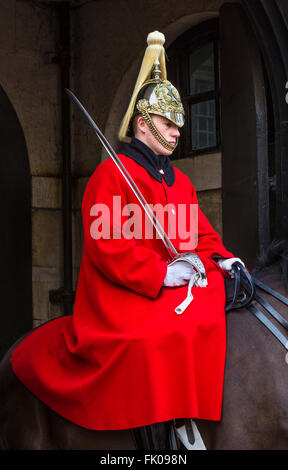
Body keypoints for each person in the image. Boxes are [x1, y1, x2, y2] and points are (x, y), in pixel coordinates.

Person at [11, 31, 244, 450]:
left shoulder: (181, 181)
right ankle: (162, 434)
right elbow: (107, 249)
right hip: (124, 296)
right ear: (142, 123)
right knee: (162, 335)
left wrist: (224, 259)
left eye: (179, 126)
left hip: (169, 289)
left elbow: (201, 234)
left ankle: (192, 413)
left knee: (210, 313)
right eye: (168, 124)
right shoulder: (109, 176)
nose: (177, 133)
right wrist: (162, 273)